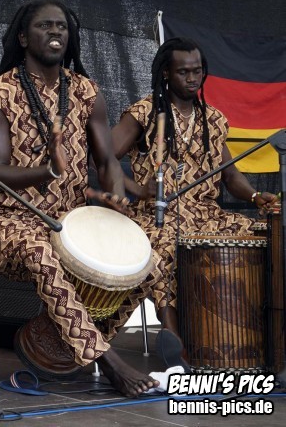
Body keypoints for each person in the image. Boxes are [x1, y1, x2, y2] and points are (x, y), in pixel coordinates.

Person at [0, 0, 160, 397]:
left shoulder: (87, 92)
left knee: (151, 259)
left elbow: (106, 160)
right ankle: (108, 361)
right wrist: (48, 171)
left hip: (71, 220)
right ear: (23, 37)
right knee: (41, 250)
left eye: (61, 26)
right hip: (9, 220)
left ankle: (58, 340)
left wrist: (114, 195)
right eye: (44, 25)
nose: (55, 31)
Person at [111, 37, 278, 364]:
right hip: (156, 216)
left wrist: (256, 196)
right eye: (183, 72)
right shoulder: (145, 112)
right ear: (166, 73)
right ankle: (175, 342)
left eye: (197, 71)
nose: (192, 78)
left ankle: (263, 335)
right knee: (163, 247)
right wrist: (137, 189)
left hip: (206, 215)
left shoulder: (213, 119)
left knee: (265, 235)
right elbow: (102, 157)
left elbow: (230, 176)